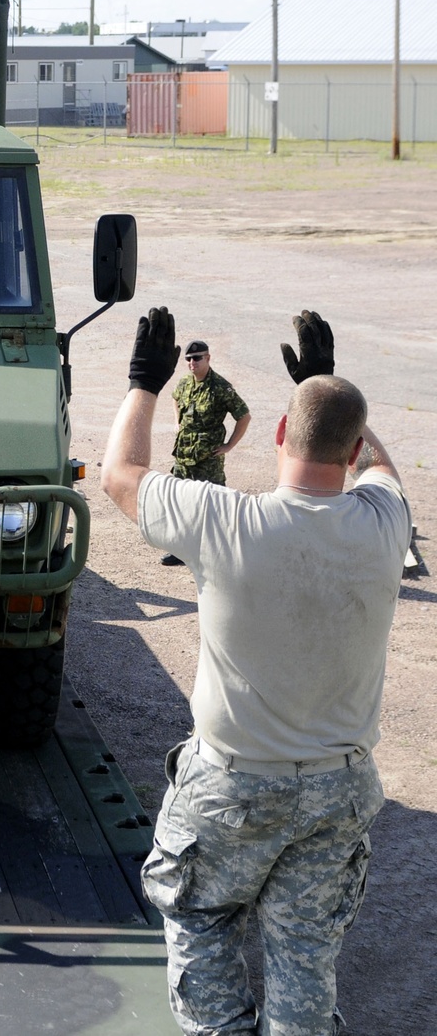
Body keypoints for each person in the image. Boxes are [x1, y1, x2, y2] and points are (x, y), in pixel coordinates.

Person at [100, 307, 412, 1036]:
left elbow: (120, 474)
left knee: (202, 921)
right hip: (339, 787)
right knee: (306, 955)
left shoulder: (225, 520)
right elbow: (382, 467)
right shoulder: (384, 523)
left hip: (235, 785)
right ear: (354, 444)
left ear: (277, 434)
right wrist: (327, 384)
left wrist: (144, 384)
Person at [161, 338, 251, 565]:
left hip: (207, 459)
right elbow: (174, 398)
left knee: (214, 505)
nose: (192, 363)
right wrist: (176, 421)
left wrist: (229, 445)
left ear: (208, 358)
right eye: (189, 359)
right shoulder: (184, 382)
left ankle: (220, 553)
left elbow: (244, 415)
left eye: (197, 358)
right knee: (181, 503)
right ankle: (181, 551)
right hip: (183, 457)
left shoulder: (220, 387)